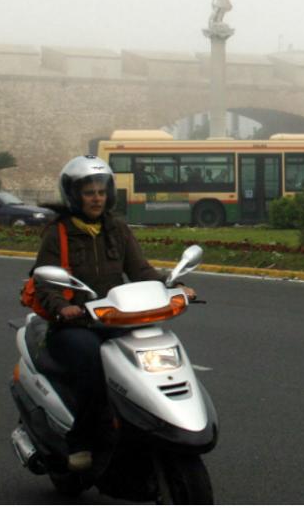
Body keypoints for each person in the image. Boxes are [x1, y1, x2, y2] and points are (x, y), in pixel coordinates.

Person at [30, 155, 196, 472]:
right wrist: (63, 308)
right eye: (89, 192)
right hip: (75, 324)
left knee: (150, 350)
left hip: (116, 318)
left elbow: (140, 270)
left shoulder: (117, 228)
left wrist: (175, 286)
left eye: (101, 191)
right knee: (94, 362)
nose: (96, 198)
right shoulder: (59, 233)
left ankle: (145, 423)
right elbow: (44, 283)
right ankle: (81, 440)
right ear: (74, 195)